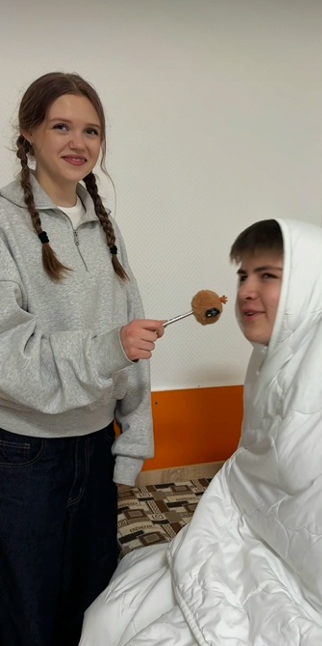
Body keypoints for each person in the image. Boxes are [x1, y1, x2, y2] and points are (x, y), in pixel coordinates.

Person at [80, 218, 322, 646]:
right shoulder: (269, 361)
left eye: (267, 276)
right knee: (112, 612)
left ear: (315, 286)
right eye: (243, 275)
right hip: (259, 537)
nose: (247, 290)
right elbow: (255, 474)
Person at [0, 72, 166, 646]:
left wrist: (130, 449)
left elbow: (133, 343)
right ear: (29, 132)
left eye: (91, 131)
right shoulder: (2, 223)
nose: (79, 142)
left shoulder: (105, 226)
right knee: (26, 620)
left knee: (92, 613)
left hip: (96, 451)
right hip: (22, 459)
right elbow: (8, 357)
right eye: (61, 126)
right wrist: (109, 347)